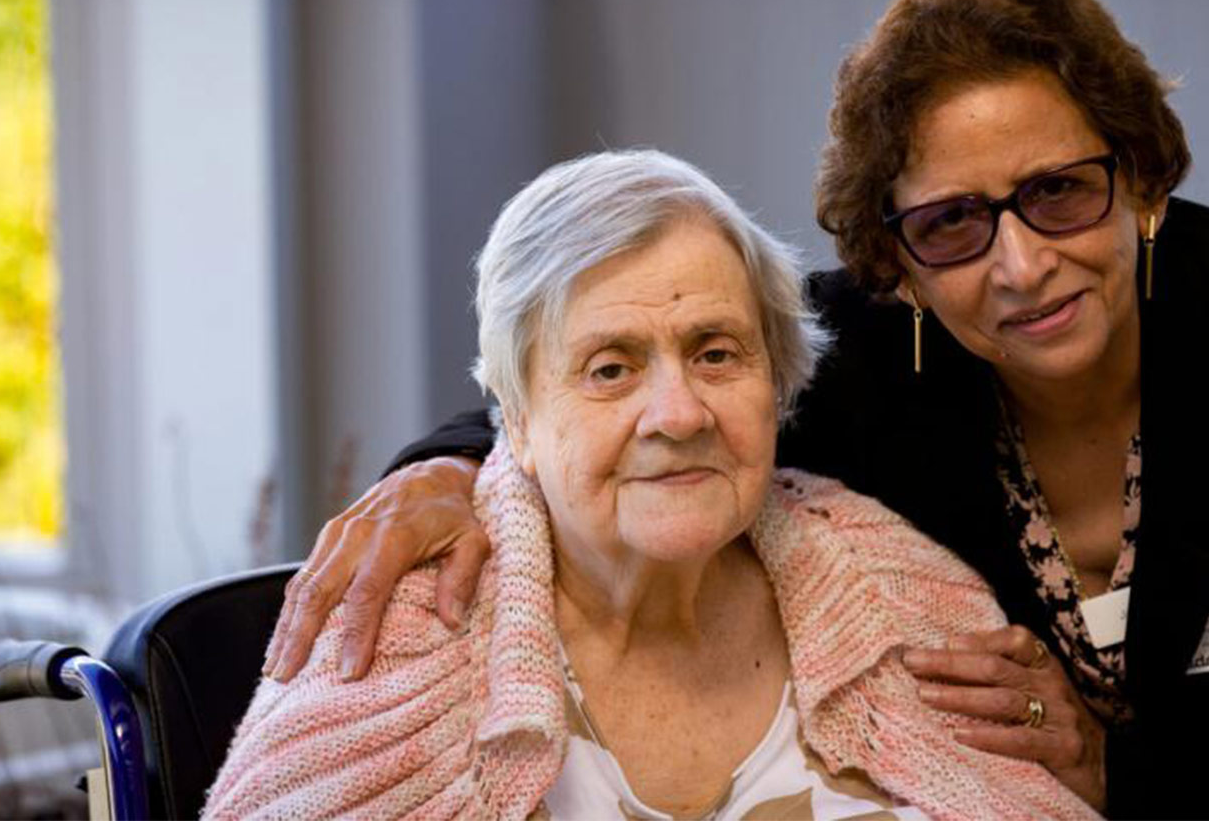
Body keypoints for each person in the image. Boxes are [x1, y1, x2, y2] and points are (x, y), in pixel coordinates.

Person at [261, 0, 1208, 819]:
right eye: (954, 221)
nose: (1020, 264)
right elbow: (624, 398)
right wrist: (444, 471)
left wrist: (1115, 772)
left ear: (1143, 182)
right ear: (899, 263)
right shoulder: (867, 357)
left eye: (1058, 191)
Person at [206, 150, 1094, 819]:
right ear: (514, 419)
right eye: (609, 369)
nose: (678, 413)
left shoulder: (904, 594)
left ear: (776, 385)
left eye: (716, 354)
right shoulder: (400, 633)